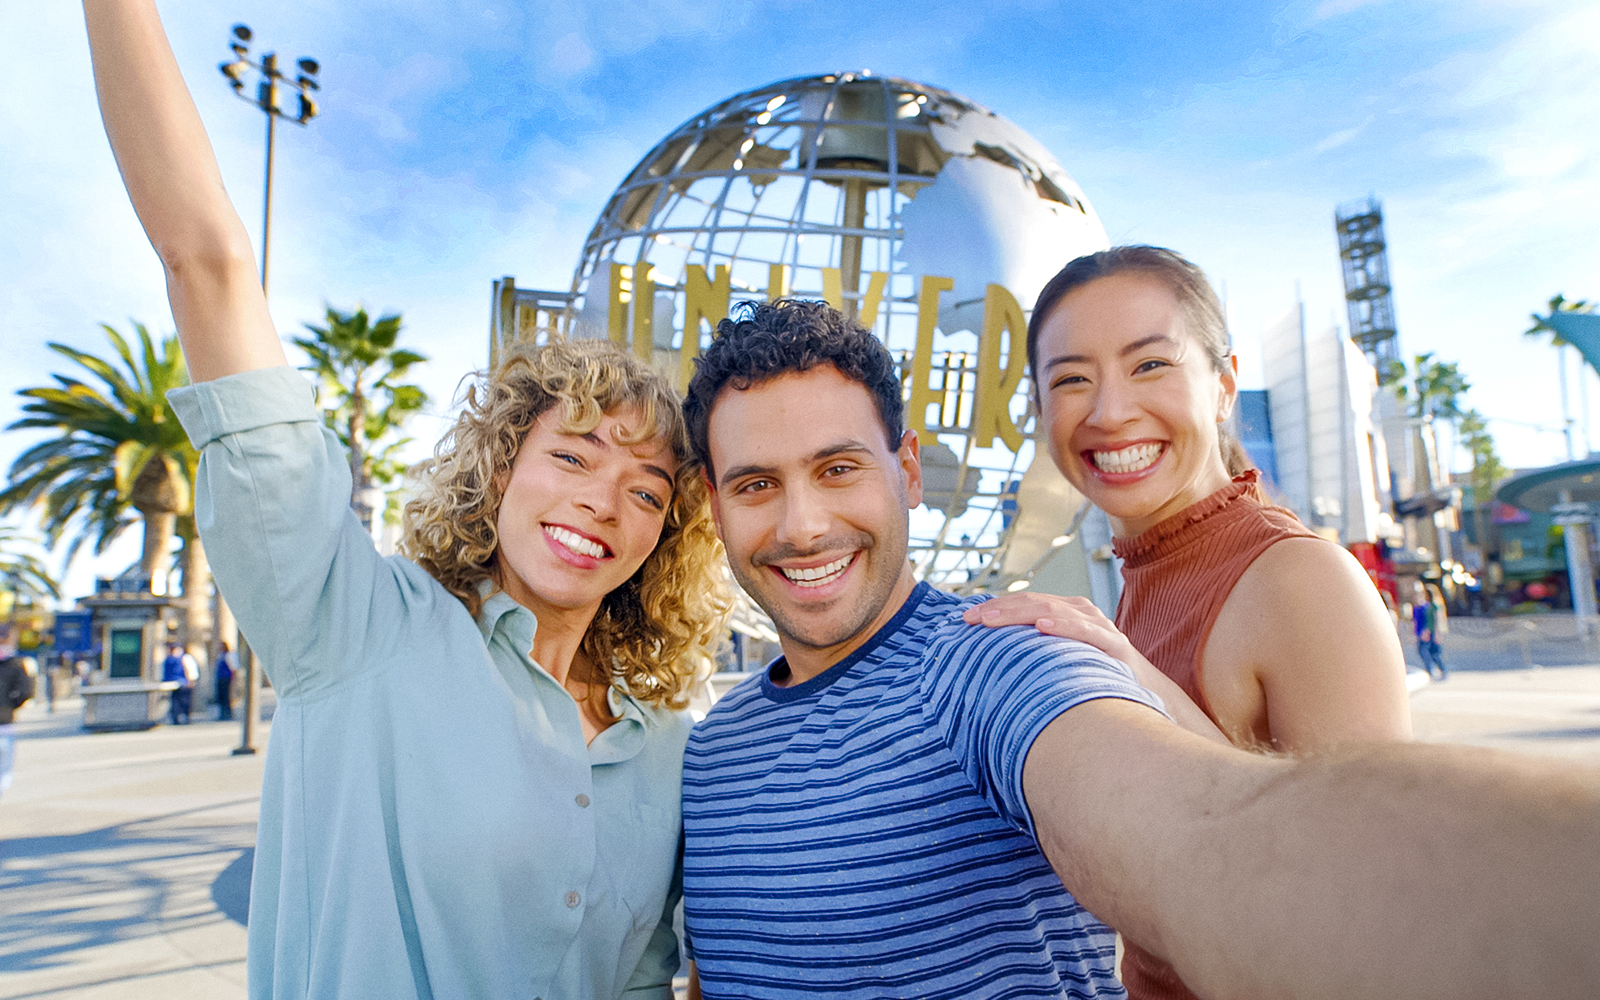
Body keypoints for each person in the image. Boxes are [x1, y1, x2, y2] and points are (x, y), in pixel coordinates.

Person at [679, 299, 1599, 1000]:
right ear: (715, 505)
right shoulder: (711, 751)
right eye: (757, 484)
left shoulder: (997, 663)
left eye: (839, 468)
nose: (802, 525)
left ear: (908, 470)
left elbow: (1210, 834)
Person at [84, 3, 730, 997]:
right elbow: (205, 262)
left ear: (666, 534)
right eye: (571, 456)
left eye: (646, 489)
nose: (604, 500)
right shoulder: (353, 628)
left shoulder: (666, 746)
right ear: (501, 468)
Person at [968, 245, 1413, 999]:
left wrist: (1131, 675)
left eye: (1149, 365)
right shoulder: (1140, 580)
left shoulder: (1299, 579)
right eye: (1071, 379)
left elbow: (1366, 901)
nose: (1109, 412)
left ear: (1224, 385)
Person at [0, 656, 36, 797]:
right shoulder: (15, 665)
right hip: (4, 723)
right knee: (4, 767)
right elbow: (26, 692)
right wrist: (10, 706)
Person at [1413, 581, 1449, 679]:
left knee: (1434, 652)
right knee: (1432, 652)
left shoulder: (1435, 606)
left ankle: (1441, 669)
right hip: (1430, 631)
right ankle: (1434, 669)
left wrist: (1437, 633)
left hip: (1433, 631)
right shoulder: (1428, 605)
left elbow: (1438, 620)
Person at [161, 642, 194, 725]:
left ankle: (181, 717)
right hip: (178, 683)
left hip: (180, 683)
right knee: (178, 702)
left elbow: (188, 670)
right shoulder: (176, 658)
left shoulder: (178, 658)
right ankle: (178, 717)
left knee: (181, 701)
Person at [214, 641, 235, 721]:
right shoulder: (220, 656)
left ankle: (227, 713)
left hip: (226, 678)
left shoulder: (228, 655)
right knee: (221, 697)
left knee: (226, 696)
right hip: (220, 678)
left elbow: (232, 667)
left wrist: (233, 679)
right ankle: (222, 713)